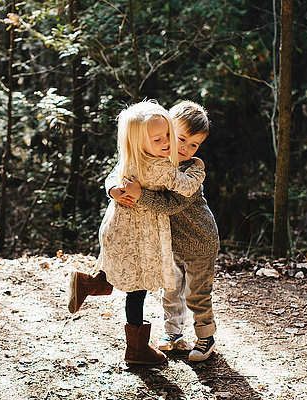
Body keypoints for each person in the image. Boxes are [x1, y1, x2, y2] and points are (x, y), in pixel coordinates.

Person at [68, 100, 206, 365]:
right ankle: (136, 351)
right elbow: (186, 187)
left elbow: (113, 173)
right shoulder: (161, 167)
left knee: (125, 272)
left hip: (117, 228)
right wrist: (198, 168)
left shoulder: (131, 158)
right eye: (159, 139)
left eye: (168, 135)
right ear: (140, 141)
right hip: (141, 234)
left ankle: (90, 283)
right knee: (137, 288)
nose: (168, 143)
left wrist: (111, 189)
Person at [111, 100, 219, 362]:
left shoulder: (191, 173)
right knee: (170, 291)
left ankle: (206, 337)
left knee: (197, 294)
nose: (184, 148)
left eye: (193, 145)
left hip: (198, 242)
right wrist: (113, 188)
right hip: (167, 243)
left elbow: (170, 205)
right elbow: (120, 169)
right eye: (179, 138)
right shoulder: (154, 159)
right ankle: (173, 333)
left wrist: (139, 195)